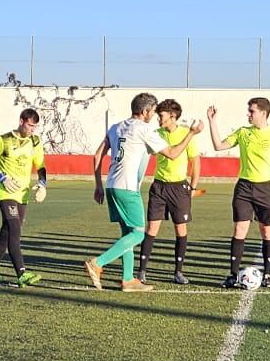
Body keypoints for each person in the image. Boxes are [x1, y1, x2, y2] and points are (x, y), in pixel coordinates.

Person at [85, 92, 200, 291]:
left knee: (127, 233)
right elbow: (172, 154)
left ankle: (128, 279)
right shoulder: (144, 129)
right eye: (153, 111)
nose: (155, 115)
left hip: (112, 185)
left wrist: (97, 185)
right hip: (128, 188)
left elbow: (97, 155)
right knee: (138, 234)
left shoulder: (115, 127)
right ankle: (98, 263)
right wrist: (191, 133)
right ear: (145, 111)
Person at [208, 97, 270, 288]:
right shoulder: (243, 132)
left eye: (252, 111)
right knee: (239, 230)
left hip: (267, 188)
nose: (249, 114)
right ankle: (233, 274)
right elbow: (219, 146)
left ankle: (268, 274)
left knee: (266, 231)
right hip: (244, 187)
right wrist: (213, 122)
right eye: (249, 111)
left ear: (263, 113)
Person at [0, 108, 47, 287]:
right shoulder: (3, 140)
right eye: (29, 125)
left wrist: (42, 183)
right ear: (21, 121)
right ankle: (22, 273)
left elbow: (40, 165)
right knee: (15, 228)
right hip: (6, 193)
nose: (32, 130)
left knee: (6, 232)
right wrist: (1, 177)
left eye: (34, 127)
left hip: (23, 194)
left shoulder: (35, 142)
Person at [140, 99, 201, 286]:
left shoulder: (186, 134)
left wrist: (193, 187)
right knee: (151, 229)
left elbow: (195, 162)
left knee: (181, 230)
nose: (159, 118)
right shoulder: (155, 134)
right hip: (159, 187)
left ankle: (178, 272)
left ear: (172, 116)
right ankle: (141, 271)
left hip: (179, 188)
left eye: (162, 115)